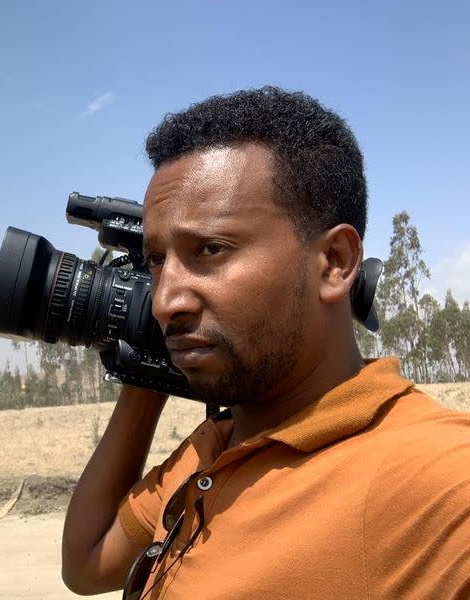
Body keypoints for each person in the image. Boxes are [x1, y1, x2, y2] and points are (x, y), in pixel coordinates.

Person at [61, 87, 470, 598]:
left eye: (210, 249)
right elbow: (86, 564)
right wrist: (149, 370)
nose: (165, 301)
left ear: (334, 263)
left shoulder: (435, 480)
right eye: (156, 261)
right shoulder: (216, 447)